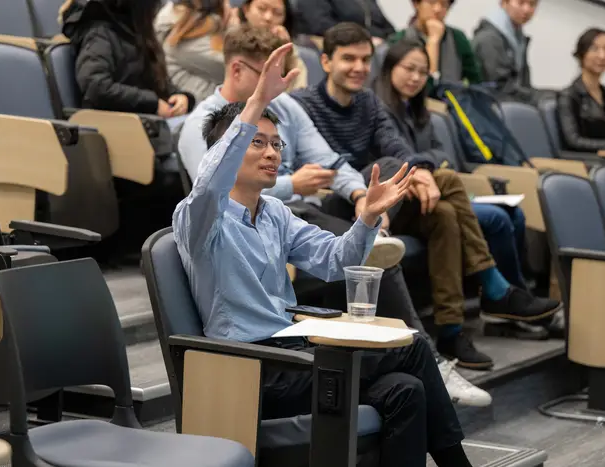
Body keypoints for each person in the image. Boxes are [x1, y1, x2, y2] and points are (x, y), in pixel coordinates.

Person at [173, 43, 473, 466]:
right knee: (415, 350)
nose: (272, 153)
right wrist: (257, 100)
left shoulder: (275, 212)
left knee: (407, 389)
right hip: (254, 367)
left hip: (295, 353)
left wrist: (367, 217)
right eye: (257, 142)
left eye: (276, 144)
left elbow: (333, 261)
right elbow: (208, 181)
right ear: (227, 152)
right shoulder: (199, 215)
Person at [291, 23, 561, 370]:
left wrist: (419, 172)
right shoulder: (303, 104)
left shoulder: (368, 103)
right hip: (336, 202)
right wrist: (417, 173)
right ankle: (494, 287)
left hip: (383, 199)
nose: (358, 67)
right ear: (326, 62)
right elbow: (327, 166)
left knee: (444, 214)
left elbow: (397, 144)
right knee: (412, 170)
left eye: (364, 59)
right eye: (348, 59)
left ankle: (450, 328)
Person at [375, 39, 528, 291]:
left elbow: (441, 153)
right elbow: (399, 158)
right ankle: (503, 296)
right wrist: (424, 163)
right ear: (390, 67)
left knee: (515, 214)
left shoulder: (421, 112)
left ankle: (515, 292)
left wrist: (424, 161)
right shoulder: (378, 111)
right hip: (407, 199)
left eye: (423, 72)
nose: (415, 78)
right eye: (409, 69)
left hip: (435, 189)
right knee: (498, 218)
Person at [60, 0, 196, 118]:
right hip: (118, 126)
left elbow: (156, 80)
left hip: (146, 120)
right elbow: (96, 86)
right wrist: (152, 103)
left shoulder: (136, 30)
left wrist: (180, 97)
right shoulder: (99, 33)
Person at [388, 0, 482, 88]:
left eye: (444, 4)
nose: (437, 9)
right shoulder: (399, 40)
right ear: (416, 4)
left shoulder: (457, 38)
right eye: (431, 2)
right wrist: (433, 42)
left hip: (450, 101)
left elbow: (477, 81)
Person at [154, 0, 227, 102]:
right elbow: (231, 67)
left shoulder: (194, 22)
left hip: (202, 102)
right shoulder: (185, 42)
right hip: (195, 107)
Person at [472, 0, 541, 103]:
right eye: (521, 3)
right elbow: (500, 87)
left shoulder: (517, 39)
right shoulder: (489, 38)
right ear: (504, 2)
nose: (527, 9)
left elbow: (524, 85)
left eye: (532, 4)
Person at [234, 0, 309, 90]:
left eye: (277, 13)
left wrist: (286, 55)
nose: (268, 18)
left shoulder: (291, 55)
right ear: (246, 9)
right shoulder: (230, 42)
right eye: (262, 9)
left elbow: (296, 95)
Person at [296, 0, 395, 45]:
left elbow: (388, 28)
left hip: (379, 44)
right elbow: (320, 25)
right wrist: (365, 39)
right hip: (342, 42)